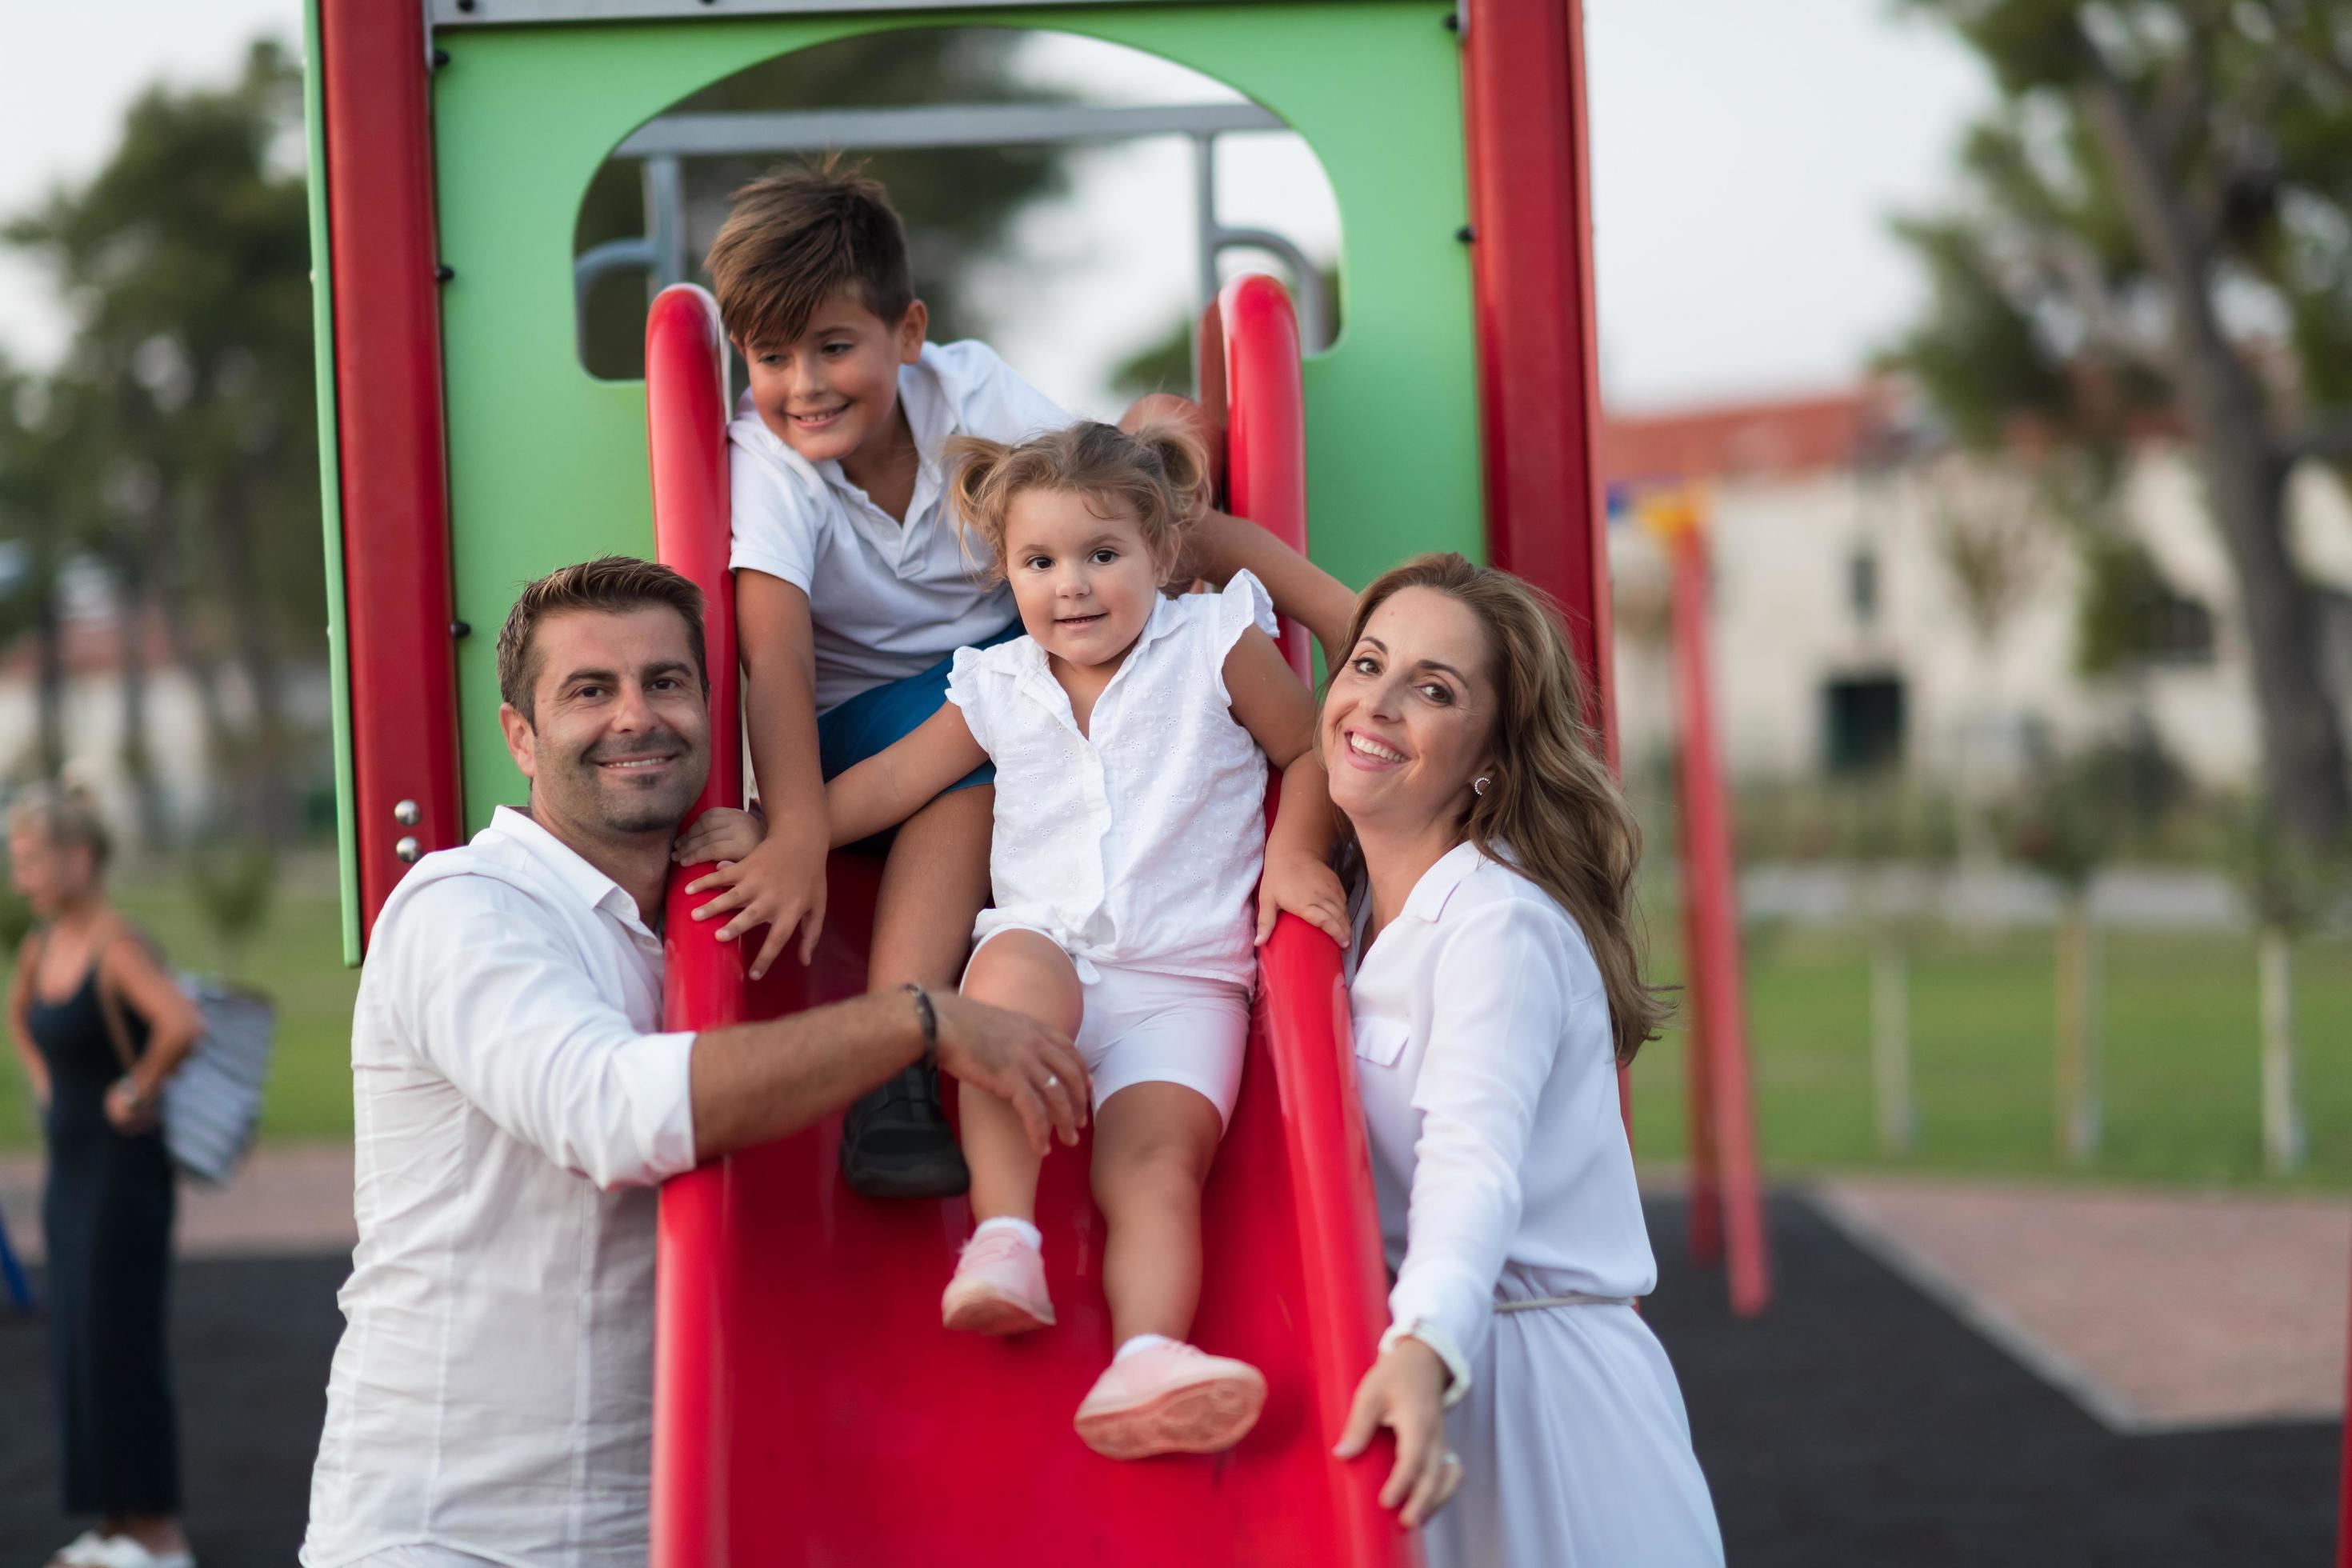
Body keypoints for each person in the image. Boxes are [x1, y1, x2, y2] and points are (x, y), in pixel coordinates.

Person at [301, 558, 1086, 1567]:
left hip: (654, 1523)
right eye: (591, 690)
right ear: (521, 738)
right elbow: (610, 1112)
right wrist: (914, 1020)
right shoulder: (465, 908)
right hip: (447, 1532)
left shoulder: (702, 927)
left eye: (666, 682)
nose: (636, 716)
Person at [691, 157, 1353, 1198]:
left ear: (906, 335)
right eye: (773, 358)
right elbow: (771, 652)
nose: (806, 386)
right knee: (986, 758)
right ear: (741, 357)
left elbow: (1084, 483)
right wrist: (796, 831)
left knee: (1150, 513)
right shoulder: (769, 466)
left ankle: (1363, 631)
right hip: (857, 727)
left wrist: (1159, 438)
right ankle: (890, 1071)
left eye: (834, 347)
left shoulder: (968, 391)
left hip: (1006, 663)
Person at [689, 422, 1347, 1457]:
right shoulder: (997, 683)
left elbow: (1307, 747)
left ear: (1162, 557)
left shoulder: (1217, 645)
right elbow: (895, 784)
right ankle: (1005, 1236)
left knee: (1156, 1170)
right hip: (1046, 946)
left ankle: (1145, 1359)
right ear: (1007, 572)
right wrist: (781, 829)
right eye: (1039, 563)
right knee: (1001, 998)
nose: (1071, 587)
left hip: (1183, 982)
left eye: (1102, 556)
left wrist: (1301, 853)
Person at [1321, 555, 1724, 1566]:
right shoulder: (1350, 911)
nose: (1376, 702)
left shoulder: (1500, 923)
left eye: (1434, 688)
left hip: (1535, 1392)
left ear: (1491, 758)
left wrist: (1422, 1349)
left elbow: (1473, 1162)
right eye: (1366, 664)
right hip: (1432, 1369)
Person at [8, 783, 205, 1568]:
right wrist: (46, 1082)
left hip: (124, 1178)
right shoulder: (40, 945)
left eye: (31, 859)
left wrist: (137, 1085)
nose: (21, 875)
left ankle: (162, 1534)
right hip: (70, 1174)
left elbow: (181, 1024)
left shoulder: (116, 944)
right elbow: (22, 1018)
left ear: (79, 857)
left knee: (123, 1346)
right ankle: (116, 1522)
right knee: (81, 1347)